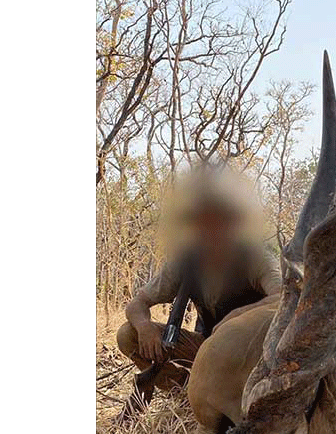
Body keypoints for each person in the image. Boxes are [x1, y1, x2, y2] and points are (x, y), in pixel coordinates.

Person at [116, 167, 281, 413]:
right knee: (126, 334)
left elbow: (286, 296)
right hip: (206, 350)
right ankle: (184, 392)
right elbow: (137, 303)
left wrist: (237, 319)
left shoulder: (255, 257)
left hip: (249, 356)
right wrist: (145, 328)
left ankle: (220, 397)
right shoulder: (186, 259)